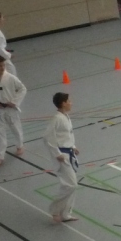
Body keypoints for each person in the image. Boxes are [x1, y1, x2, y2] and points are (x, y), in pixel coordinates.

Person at [44, 92, 79, 224]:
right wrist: (56, 153)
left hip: (69, 152)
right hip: (62, 155)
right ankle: (55, 210)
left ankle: (65, 213)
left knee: (70, 184)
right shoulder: (57, 118)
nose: (71, 103)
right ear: (63, 103)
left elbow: (67, 135)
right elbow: (47, 137)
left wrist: (73, 146)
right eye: (69, 101)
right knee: (71, 185)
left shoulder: (66, 116)